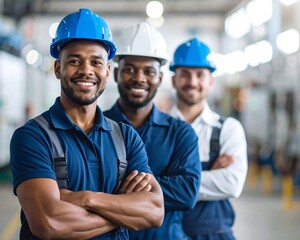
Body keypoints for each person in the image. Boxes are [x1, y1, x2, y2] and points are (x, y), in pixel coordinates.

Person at [9, 9, 164, 240]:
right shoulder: (32, 137)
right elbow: (48, 223)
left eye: (96, 62)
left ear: (107, 71)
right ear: (58, 68)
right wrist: (123, 210)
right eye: (74, 61)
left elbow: (154, 212)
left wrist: (85, 199)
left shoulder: (125, 137)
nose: (86, 70)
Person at [104, 23, 201, 240]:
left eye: (149, 71)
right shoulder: (94, 127)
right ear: (116, 74)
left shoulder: (180, 133)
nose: (139, 78)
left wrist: (113, 188)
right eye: (129, 69)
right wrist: (156, 188)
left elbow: (186, 193)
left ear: (160, 78)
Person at [169, 37, 248, 240]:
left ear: (211, 81)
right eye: (185, 74)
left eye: (199, 75)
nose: (192, 82)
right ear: (173, 80)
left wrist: (170, 182)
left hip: (215, 234)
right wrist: (210, 176)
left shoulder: (228, 129)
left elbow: (232, 184)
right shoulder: (157, 128)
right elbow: (144, 189)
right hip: (166, 233)